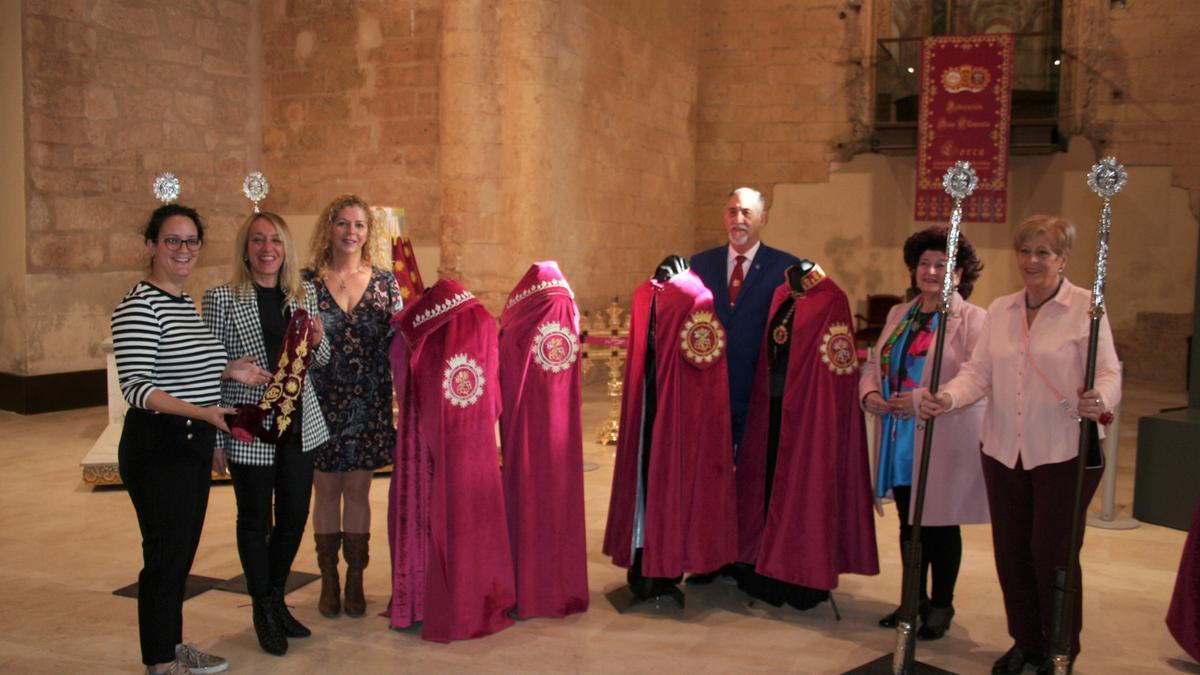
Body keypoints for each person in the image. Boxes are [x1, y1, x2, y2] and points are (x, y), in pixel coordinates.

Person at [919, 215, 1122, 674]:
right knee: (1012, 553)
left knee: (1052, 554)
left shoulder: (1087, 307)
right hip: (1002, 451)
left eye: (1043, 252)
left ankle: (1059, 650)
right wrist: (948, 396)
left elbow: (1109, 371)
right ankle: (1026, 641)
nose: (1032, 260)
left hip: (1064, 450)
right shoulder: (1002, 310)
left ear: (1063, 259)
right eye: (1025, 251)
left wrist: (1101, 397)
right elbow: (979, 373)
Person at [112, 203, 271, 675]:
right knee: (164, 557)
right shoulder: (139, 306)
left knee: (178, 555)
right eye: (172, 241)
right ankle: (160, 662)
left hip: (191, 444)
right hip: (159, 446)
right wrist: (204, 414)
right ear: (151, 246)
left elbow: (184, 367)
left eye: (191, 242)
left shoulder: (182, 303)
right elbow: (138, 387)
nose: (184, 250)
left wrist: (229, 369)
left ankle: (171, 645)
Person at [201, 212, 331, 655]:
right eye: (258, 240)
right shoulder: (221, 298)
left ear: (286, 248)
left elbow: (323, 358)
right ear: (246, 248)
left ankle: (274, 596)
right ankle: (262, 606)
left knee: (294, 517)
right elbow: (212, 373)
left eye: (275, 240)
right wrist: (218, 439)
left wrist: (317, 339)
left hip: (298, 425)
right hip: (249, 426)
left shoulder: (304, 293)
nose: (267, 248)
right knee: (256, 520)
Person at [858, 227, 989, 640]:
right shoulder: (901, 313)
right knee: (908, 520)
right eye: (925, 264)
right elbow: (872, 364)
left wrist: (922, 400)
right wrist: (870, 393)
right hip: (900, 438)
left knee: (940, 524)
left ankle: (942, 604)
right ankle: (912, 598)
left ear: (959, 273)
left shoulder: (972, 319)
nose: (932, 271)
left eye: (942, 265)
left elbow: (977, 377)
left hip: (943, 435)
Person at [736, 262, 879, 610]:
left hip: (810, 416)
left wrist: (818, 415)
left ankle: (801, 576)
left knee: (805, 490)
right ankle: (764, 563)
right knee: (769, 486)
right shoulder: (782, 294)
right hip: (772, 410)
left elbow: (837, 369)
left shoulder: (831, 300)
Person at [386, 278, 517, 642]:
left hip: (419, 441)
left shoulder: (409, 326)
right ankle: (471, 593)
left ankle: (418, 598)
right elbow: (492, 395)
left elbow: (400, 375)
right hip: (472, 444)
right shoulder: (479, 320)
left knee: (427, 506)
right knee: (468, 513)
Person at [602, 257, 738, 601]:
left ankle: (664, 567)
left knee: (668, 483)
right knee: (644, 480)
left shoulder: (696, 298)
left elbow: (704, 366)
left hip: (676, 412)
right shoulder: (645, 294)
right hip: (647, 403)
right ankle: (642, 562)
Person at [303, 194, 403, 619]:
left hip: (368, 399)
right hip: (322, 400)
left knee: (359, 491)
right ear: (330, 228)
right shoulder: (306, 281)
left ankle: (356, 579)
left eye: (358, 225)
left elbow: (403, 338)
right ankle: (328, 579)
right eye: (342, 223)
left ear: (369, 232)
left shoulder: (385, 282)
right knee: (326, 491)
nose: (350, 232)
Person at [498, 262, 589, 619]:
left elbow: (507, 353)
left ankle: (529, 584)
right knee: (555, 499)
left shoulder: (527, 307)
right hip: (558, 423)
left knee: (530, 494)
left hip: (526, 426)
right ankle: (557, 586)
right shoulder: (563, 303)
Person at [690, 187, 801, 450]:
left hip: (760, 390)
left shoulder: (785, 267)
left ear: (763, 219)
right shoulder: (700, 264)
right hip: (709, 388)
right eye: (732, 211)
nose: (737, 219)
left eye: (746, 213)